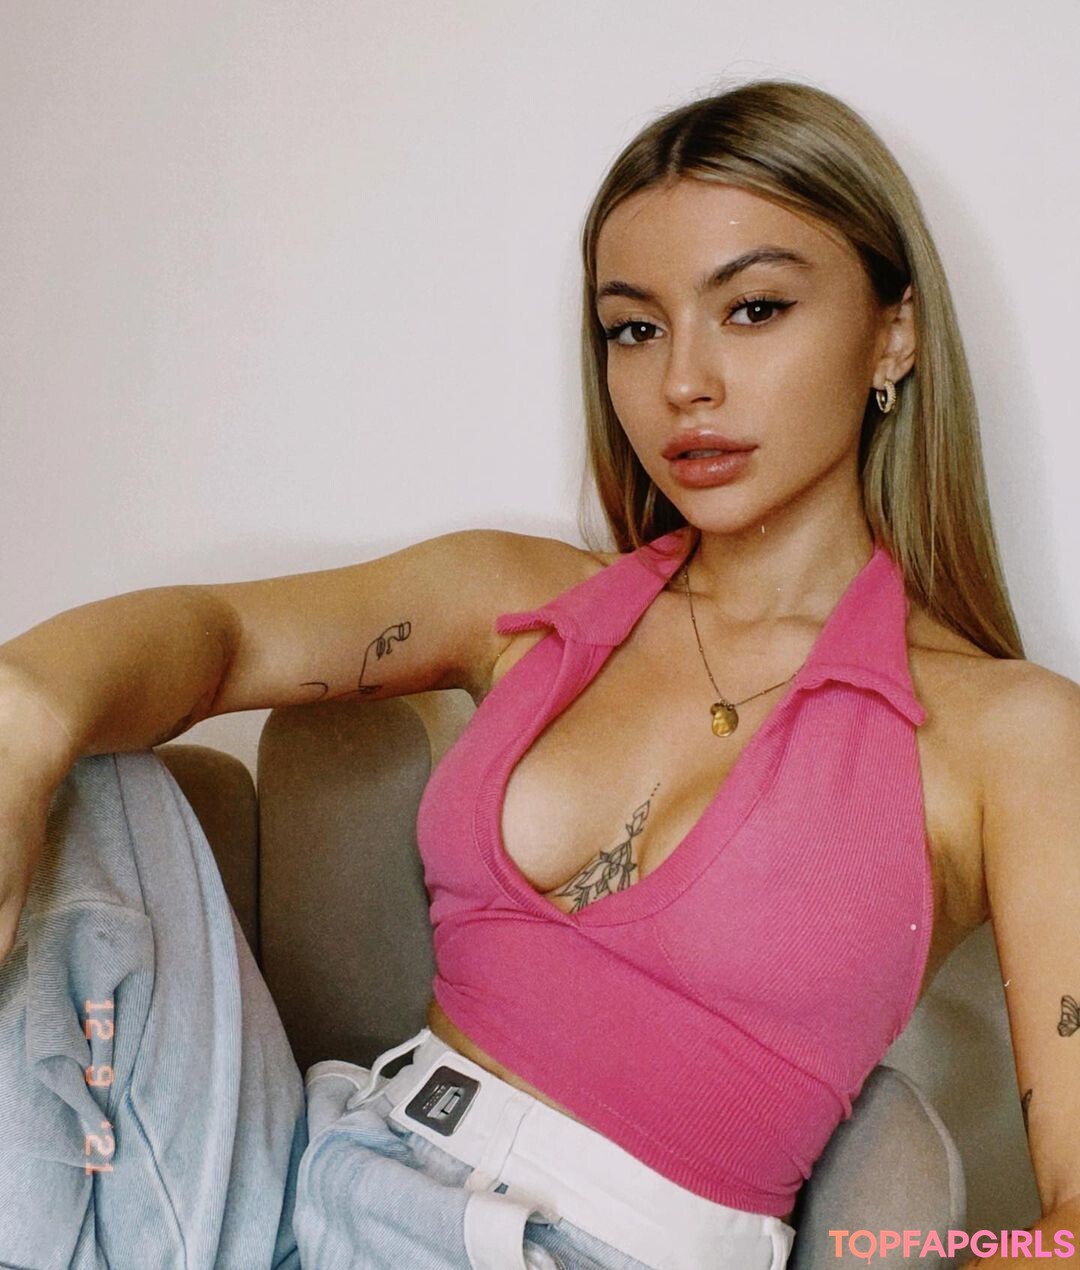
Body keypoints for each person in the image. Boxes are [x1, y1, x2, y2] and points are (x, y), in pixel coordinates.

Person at [1, 76, 1077, 1269]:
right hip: (314, 1194)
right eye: (635, 327)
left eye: (754, 308)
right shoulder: (527, 601)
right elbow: (225, 637)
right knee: (92, 779)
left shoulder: (1010, 735)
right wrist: (24, 715)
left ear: (894, 331)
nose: (683, 382)